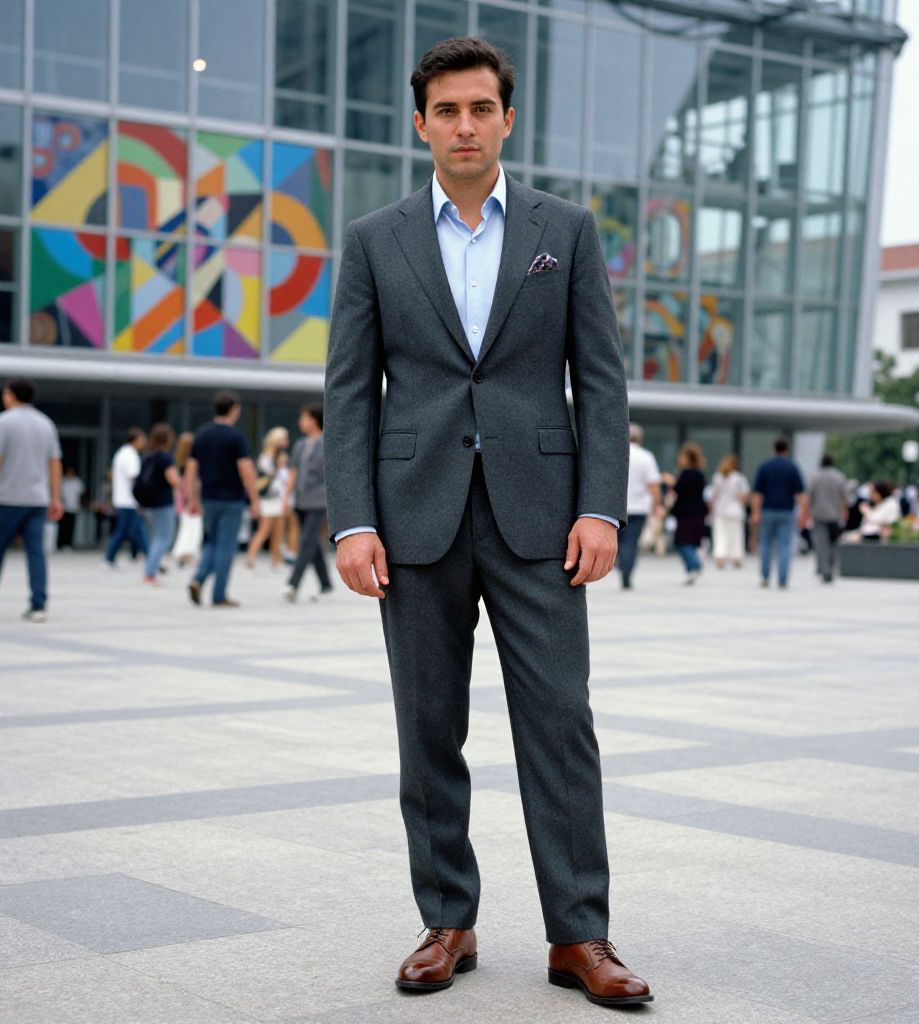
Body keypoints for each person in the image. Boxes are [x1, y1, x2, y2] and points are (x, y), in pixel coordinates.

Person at [324, 38, 651, 1007]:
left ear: (507, 119)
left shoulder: (568, 230)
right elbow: (349, 392)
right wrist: (351, 520)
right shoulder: (372, 240)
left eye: (481, 109)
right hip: (412, 514)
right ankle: (448, 920)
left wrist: (600, 505)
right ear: (419, 123)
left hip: (542, 520)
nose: (464, 126)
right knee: (427, 727)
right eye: (446, 111)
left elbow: (598, 378)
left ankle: (579, 936)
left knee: (559, 723)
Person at [0, 378, 62, 622]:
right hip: (37, 500)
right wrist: (56, 497)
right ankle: (38, 605)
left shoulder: (3, 421)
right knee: (36, 553)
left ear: (11, 395)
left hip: (8, 498)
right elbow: (54, 463)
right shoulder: (45, 423)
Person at [185, 391, 259, 608]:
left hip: (208, 498)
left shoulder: (202, 434)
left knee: (210, 542)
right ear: (234, 410)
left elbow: (191, 469)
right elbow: (245, 468)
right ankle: (219, 595)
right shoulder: (236, 437)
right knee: (226, 546)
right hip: (232, 499)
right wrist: (254, 499)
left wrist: (192, 498)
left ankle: (198, 579)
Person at [283, 406, 332, 603]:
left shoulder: (326, 442)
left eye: (304, 418)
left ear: (314, 420)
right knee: (311, 542)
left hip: (319, 500)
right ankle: (326, 583)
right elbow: (293, 472)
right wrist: (286, 497)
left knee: (305, 542)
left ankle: (292, 584)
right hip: (302, 500)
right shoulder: (300, 445)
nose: (300, 422)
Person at [751, 438, 808, 590]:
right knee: (785, 545)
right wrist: (804, 513)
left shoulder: (764, 466)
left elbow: (757, 493)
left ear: (773, 449)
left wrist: (755, 511)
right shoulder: (792, 467)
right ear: (786, 450)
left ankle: (765, 576)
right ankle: (782, 580)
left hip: (768, 510)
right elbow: (801, 494)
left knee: (766, 544)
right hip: (787, 511)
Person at [616, 424, 661, 589]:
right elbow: (653, 484)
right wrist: (657, 505)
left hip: (617, 507)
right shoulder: (646, 456)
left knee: (618, 540)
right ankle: (626, 570)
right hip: (639, 508)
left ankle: (620, 563)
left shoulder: (617, 454)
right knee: (631, 542)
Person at [135, 423, 180, 584]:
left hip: (148, 503)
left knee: (155, 537)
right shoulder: (165, 458)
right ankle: (150, 572)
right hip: (163, 502)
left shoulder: (147, 456)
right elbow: (174, 480)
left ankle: (150, 570)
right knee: (164, 538)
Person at [246, 426, 289, 569]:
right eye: (283, 439)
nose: (286, 442)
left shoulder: (280, 456)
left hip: (279, 496)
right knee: (264, 529)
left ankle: (276, 559)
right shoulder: (266, 457)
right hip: (269, 498)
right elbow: (269, 474)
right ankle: (251, 557)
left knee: (279, 530)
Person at [104, 428, 148, 567]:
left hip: (123, 499)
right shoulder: (130, 454)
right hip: (129, 500)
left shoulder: (122, 453)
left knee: (129, 530)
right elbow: (134, 476)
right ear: (135, 440)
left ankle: (150, 558)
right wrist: (142, 496)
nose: (144, 442)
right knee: (131, 530)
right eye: (142, 439)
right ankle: (151, 559)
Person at [670, 442, 708, 585]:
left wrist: (671, 482)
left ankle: (695, 565)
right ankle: (691, 570)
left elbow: (679, 490)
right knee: (689, 541)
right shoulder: (700, 473)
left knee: (682, 541)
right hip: (698, 512)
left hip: (686, 512)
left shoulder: (686, 474)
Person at [808, 453, 849, 582]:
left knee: (821, 544)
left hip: (819, 514)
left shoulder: (815, 477)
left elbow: (809, 496)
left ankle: (824, 569)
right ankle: (831, 567)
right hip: (835, 516)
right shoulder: (840, 477)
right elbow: (845, 497)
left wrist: (806, 513)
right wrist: (845, 512)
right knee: (833, 544)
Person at [709, 453, 749, 569]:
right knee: (736, 534)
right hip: (735, 510)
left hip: (720, 510)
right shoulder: (739, 479)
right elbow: (744, 497)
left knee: (720, 534)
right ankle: (736, 556)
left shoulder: (717, 477)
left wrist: (711, 508)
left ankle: (720, 556)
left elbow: (713, 496)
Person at [170, 431, 202, 566]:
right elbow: (191, 483)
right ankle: (184, 553)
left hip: (182, 498)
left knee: (187, 526)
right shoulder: (191, 463)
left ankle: (185, 553)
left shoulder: (178, 462)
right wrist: (192, 500)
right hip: (190, 498)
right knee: (193, 527)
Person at [58, 465, 85, 549]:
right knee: (62, 527)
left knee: (71, 527)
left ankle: (69, 544)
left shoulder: (77, 482)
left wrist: (81, 504)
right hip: (63, 508)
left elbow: (82, 494)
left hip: (73, 508)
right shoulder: (63, 481)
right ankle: (60, 544)